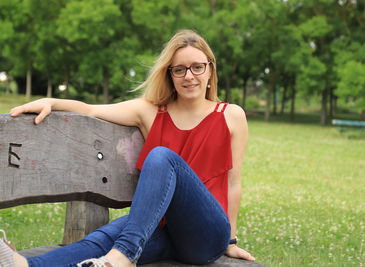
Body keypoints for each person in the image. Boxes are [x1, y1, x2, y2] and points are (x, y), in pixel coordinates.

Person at [0, 29, 255, 267]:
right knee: (100, 240)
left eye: (198, 67)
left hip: (206, 234)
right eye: (180, 70)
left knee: (162, 157)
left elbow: (233, 183)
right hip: (161, 229)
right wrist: (51, 102)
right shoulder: (151, 112)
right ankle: (23, 264)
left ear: (210, 70)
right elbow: (91, 109)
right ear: (170, 74)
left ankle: (123, 256)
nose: (189, 76)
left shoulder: (231, 115)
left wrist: (230, 240)